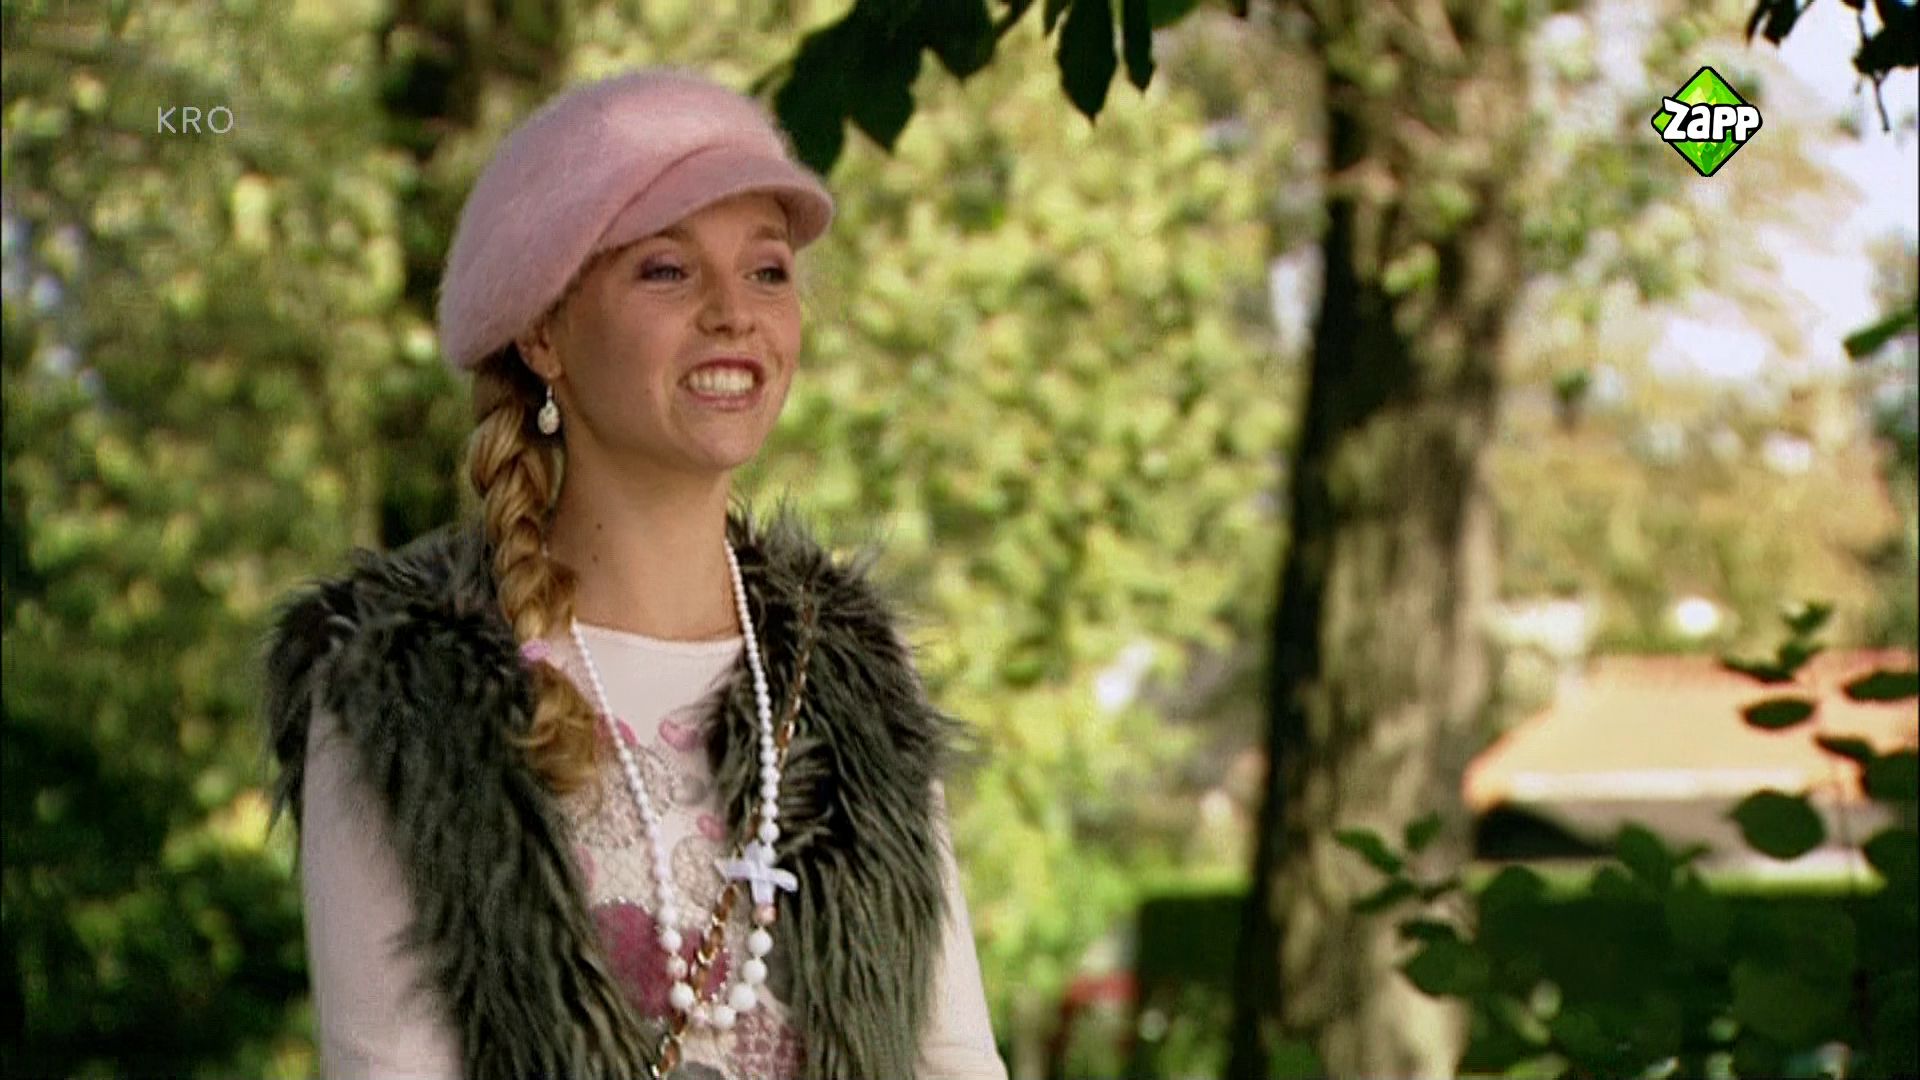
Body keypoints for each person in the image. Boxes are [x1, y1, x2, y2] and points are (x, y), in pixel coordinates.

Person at [261, 67, 1010, 1080]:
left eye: (768, 271)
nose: (735, 314)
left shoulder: (853, 677)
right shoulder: (398, 685)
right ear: (543, 332)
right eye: (667, 271)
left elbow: (952, 1058)